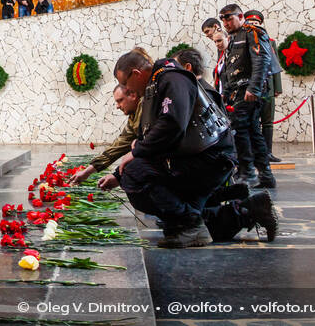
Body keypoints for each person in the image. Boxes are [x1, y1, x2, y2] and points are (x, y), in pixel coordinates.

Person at [110, 50, 276, 247]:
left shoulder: (171, 78)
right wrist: (117, 175)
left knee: (135, 174)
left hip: (210, 159)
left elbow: (171, 124)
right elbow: (153, 133)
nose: (127, 89)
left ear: (136, 73)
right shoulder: (158, 82)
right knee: (177, 223)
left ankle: (192, 223)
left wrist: (135, 153)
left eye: (125, 84)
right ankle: (249, 210)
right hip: (198, 157)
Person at [218, 4, 276, 189]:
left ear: (240, 16)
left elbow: (262, 60)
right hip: (237, 91)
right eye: (223, 19)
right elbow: (229, 69)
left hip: (248, 91)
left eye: (229, 18)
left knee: (240, 130)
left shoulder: (253, 32)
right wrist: (225, 93)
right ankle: (265, 175)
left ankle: (248, 172)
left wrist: (254, 88)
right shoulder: (234, 37)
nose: (226, 23)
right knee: (252, 131)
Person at [70, 74, 144, 187]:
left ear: (133, 95)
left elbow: (145, 149)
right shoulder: (133, 116)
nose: (117, 106)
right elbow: (118, 146)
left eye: (120, 101)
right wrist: (87, 172)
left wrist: (117, 176)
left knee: (131, 168)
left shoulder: (144, 109)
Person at [244, 9, 282, 163]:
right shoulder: (243, 41)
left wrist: (277, 87)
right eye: (250, 23)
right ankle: (253, 153)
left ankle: (268, 152)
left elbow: (275, 65)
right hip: (251, 87)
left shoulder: (270, 41)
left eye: (256, 23)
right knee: (252, 122)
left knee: (267, 121)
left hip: (269, 87)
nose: (254, 25)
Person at [201, 17, 228, 92]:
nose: (206, 35)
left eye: (207, 31)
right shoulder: (219, 48)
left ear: (216, 26)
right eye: (216, 42)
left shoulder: (231, 43)